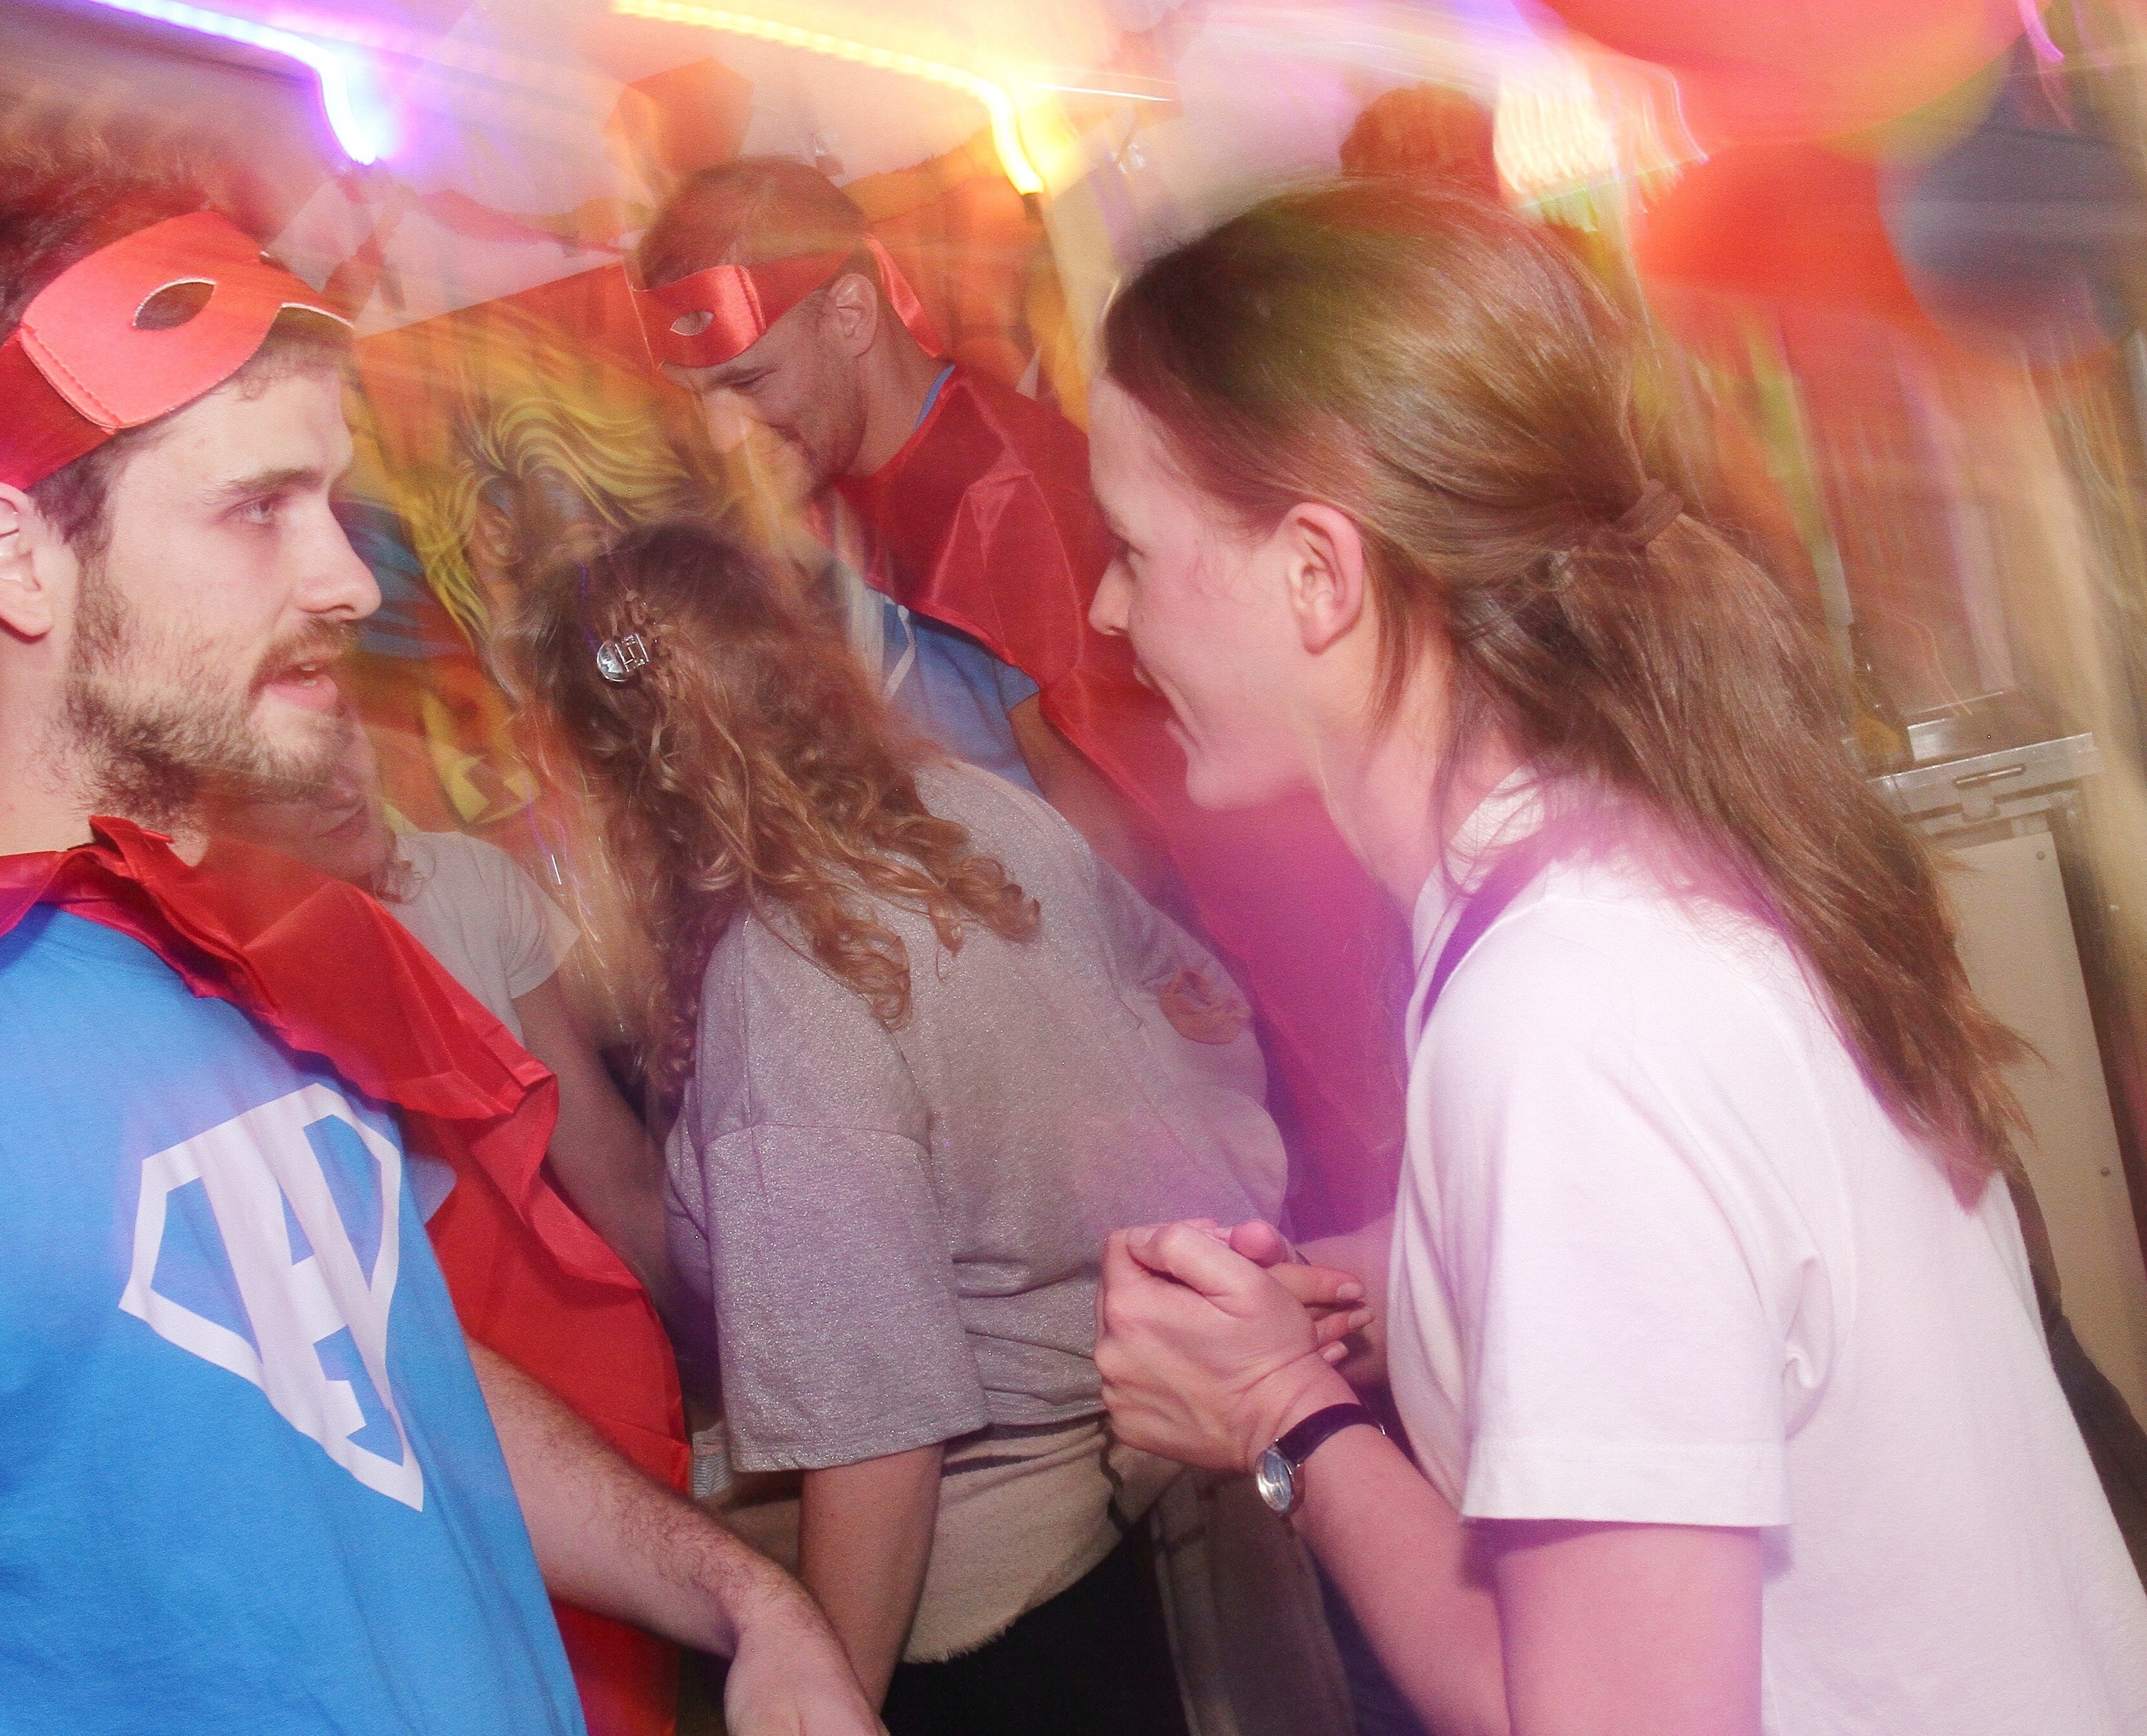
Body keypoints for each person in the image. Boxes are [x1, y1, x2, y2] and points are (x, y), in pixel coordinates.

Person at [0, 140, 876, 1736]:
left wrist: (746, 1599)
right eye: (258, 508)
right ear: (15, 557)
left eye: (332, 501)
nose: (345, 579)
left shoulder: (223, 947)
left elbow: (372, 1373)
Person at [1085, 181, 2147, 1735]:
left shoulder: (1567, 1014)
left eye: (1130, 546)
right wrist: (1417, 1272)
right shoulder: (1624, 856)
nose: (1105, 607)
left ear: (1318, 572)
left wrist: (1280, 1415)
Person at [516, 520, 1359, 1735]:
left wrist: (834, 1697)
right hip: (1172, 1524)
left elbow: (880, 1442)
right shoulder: (965, 810)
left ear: (609, 775)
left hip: (1002, 1626)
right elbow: (1201, 1012)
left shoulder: (782, 990)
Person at [630, 155, 1409, 1241]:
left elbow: (1123, 851)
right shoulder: (828, 493)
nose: (722, 431)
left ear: (849, 312)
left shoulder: (998, 498)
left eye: (749, 383)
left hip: (1145, 1073)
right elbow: (643, 671)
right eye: (698, 399)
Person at [210, 703, 667, 1299]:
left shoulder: (469, 879)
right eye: (288, 780)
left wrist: (710, 1330)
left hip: (544, 1303)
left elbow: (602, 1157)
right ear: (217, 807)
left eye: (341, 738)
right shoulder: (211, 971)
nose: (341, 791)